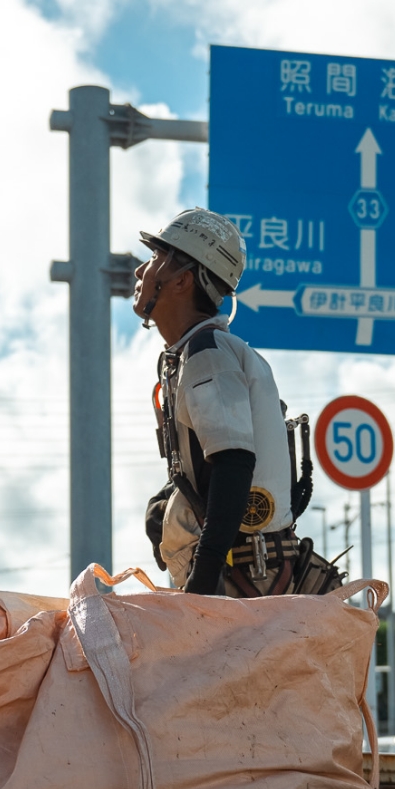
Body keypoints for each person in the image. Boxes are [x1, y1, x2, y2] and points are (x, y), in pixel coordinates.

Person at [135, 208, 333, 597]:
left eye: (157, 258)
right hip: (250, 568)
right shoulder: (201, 351)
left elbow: (233, 463)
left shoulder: (207, 353)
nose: (143, 271)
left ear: (182, 281)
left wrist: (203, 578)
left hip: (243, 575)